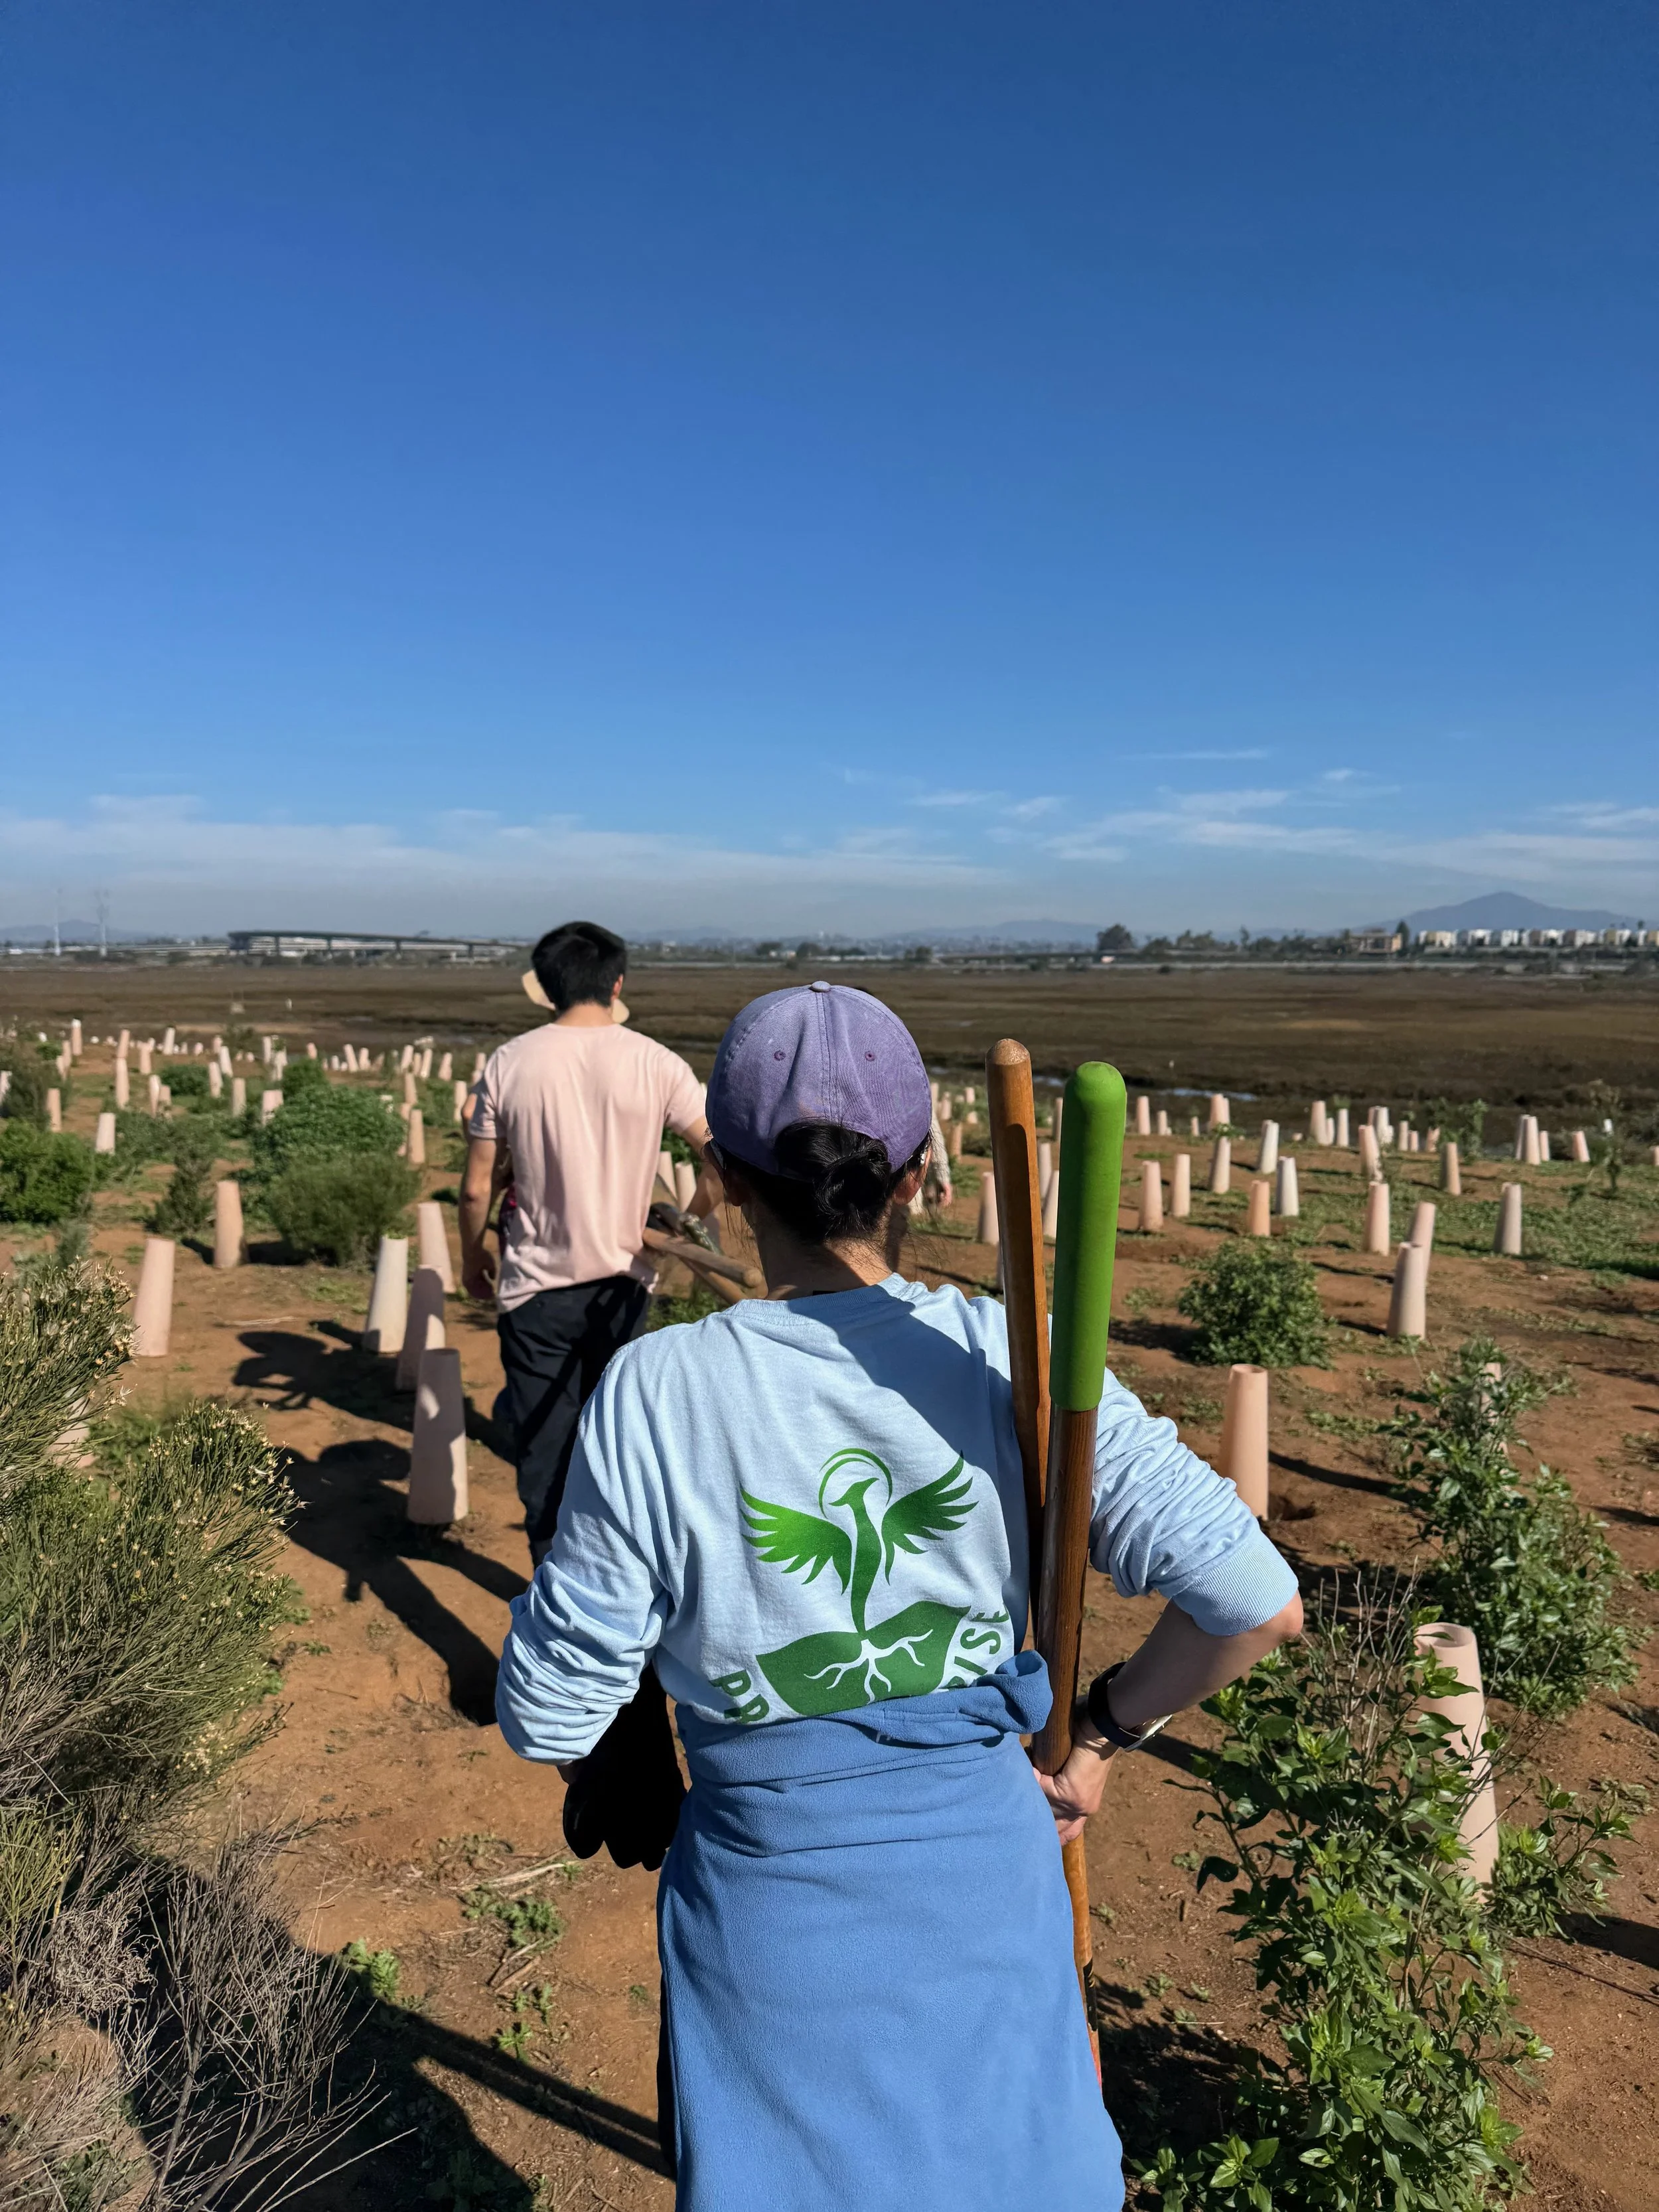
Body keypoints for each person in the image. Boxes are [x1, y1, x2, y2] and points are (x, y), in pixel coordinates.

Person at [496, 981, 1302, 2211]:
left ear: (723, 1175)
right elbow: (1256, 1597)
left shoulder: (660, 1388)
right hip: (998, 1887)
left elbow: (549, 1716)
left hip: (771, 1926)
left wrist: (630, 1708)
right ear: (921, 1173)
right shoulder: (1007, 1358)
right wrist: (1098, 1733)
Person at [460, 919, 714, 1568]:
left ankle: (552, 1574)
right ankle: (617, 1577)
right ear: (618, 982)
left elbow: (476, 1187)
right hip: (625, 1284)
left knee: (544, 1442)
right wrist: (683, 1220)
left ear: (546, 989)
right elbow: (723, 1159)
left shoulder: (509, 1063)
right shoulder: (658, 1062)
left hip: (534, 1288)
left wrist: (472, 1258)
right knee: (618, 1439)